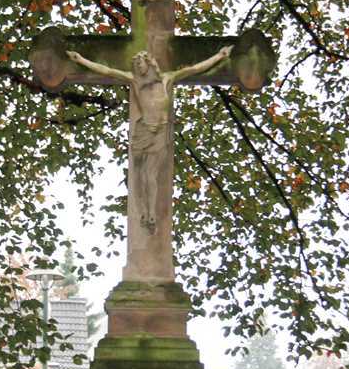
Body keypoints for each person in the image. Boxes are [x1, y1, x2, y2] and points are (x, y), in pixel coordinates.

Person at [66, 47, 231, 232]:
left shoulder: (167, 78)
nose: (137, 67)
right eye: (135, 65)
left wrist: (219, 55)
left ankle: (151, 215)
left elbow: (195, 69)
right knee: (139, 175)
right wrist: (80, 60)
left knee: (149, 174)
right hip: (143, 131)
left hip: (160, 131)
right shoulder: (134, 80)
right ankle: (143, 212)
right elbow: (107, 70)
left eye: (139, 63)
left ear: (149, 62)